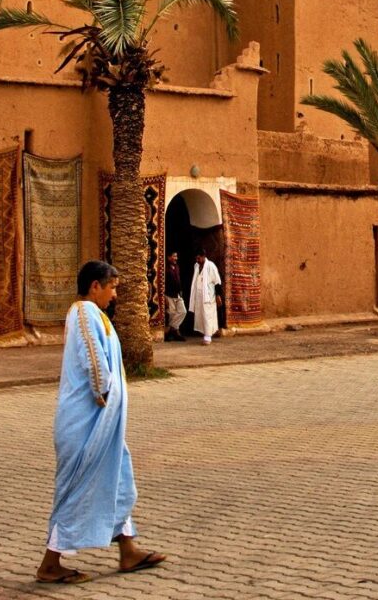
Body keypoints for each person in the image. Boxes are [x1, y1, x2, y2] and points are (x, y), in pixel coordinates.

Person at [36, 260, 166, 584]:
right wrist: (104, 395)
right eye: (112, 287)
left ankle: (128, 550)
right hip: (84, 424)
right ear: (95, 286)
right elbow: (93, 360)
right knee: (76, 490)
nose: (115, 294)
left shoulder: (97, 316)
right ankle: (50, 563)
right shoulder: (83, 313)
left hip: (103, 426)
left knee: (117, 481)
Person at [188, 249, 223, 345]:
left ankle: (208, 337)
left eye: (199, 258)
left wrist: (218, 295)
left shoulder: (210, 266)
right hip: (199, 296)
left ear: (204, 256)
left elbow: (217, 281)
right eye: (196, 258)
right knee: (201, 316)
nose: (197, 260)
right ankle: (207, 333)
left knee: (208, 315)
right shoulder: (196, 266)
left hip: (208, 296)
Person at [163, 252, 186, 342]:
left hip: (177, 295)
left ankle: (169, 330)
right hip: (169, 294)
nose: (176, 258)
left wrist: (180, 292)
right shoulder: (165, 268)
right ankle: (175, 332)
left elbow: (178, 280)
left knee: (183, 311)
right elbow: (162, 283)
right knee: (172, 314)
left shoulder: (176, 267)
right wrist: (164, 296)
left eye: (176, 256)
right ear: (169, 257)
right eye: (174, 256)